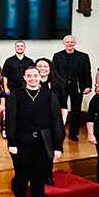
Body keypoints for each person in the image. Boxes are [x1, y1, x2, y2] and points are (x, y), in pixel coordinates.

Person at [5, 66, 64, 197]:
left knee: (39, 180)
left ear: (40, 77)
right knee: (21, 178)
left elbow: (56, 120)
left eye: (35, 75)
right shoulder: (16, 95)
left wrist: (57, 145)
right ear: (24, 77)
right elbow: (11, 119)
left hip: (43, 144)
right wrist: (12, 142)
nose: (32, 78)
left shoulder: (49, 95)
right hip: (22, 142)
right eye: (29, 75)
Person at [36, 57, 69, 185]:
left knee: (49, 151)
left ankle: (47, 175)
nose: (42, 69)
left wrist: (61, 123)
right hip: (34, 122)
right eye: (39, 66)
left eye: (45, 67)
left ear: (50, 69)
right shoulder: (30, 83)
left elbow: (63, 105)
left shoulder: (58, 84)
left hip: (52, 122)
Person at [52, 35, 92, 142]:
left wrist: (88, 86)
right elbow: (53, 72)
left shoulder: (83, 56)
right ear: (64, 43)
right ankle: (59, 132)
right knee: (60, 109)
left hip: (77, 86)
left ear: (75, 43)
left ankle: (73, 133)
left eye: (71, 42)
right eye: (67, 42)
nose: (69, 44)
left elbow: (87, 72)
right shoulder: (57, 56)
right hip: (61, 86)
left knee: (76, 110)